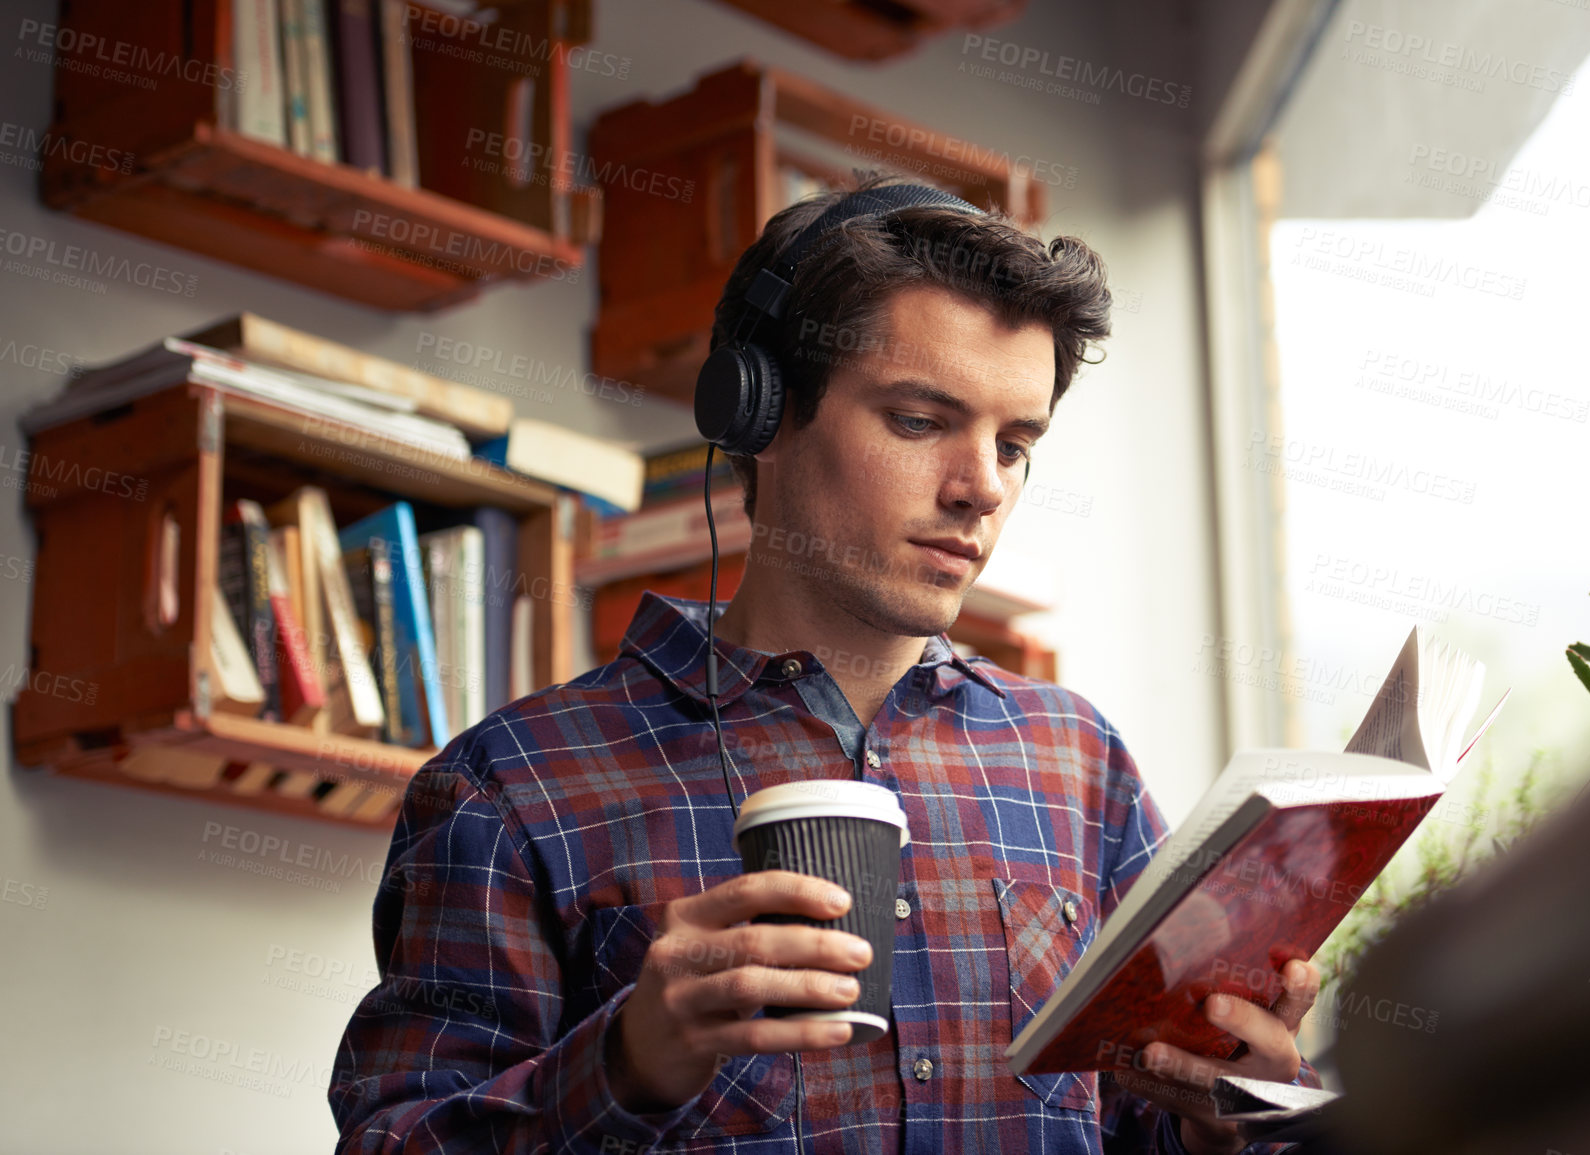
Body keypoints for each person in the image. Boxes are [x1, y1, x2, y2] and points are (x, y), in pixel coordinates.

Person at [329, 176, 1321, 1155]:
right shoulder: (506, 788)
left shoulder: (1078, 760)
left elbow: (1142, 1124)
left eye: (1015, 445)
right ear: (759, 417)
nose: (980, 488)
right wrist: (624, 1065)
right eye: (921, 422)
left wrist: (1222, 1121)